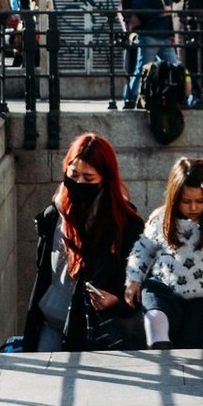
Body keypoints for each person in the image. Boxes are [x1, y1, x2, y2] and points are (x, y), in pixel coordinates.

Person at [23, 133, 144, 352]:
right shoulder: (54, 214)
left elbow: (140, 278)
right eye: (74, 174)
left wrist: (116, 299)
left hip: (92, 330)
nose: (79, 183)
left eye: (89, 178)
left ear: (105, 179)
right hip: (50, 321)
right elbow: (43, 274)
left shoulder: (125, 223)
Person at [125, 157, 203, 349]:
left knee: (198, 347)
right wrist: (134, 280)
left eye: (200, 201)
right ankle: (161, 356)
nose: (193, 208)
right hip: (164, 288)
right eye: (186, 201)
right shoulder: (161, 218)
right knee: (155, 316)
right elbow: (143, 248)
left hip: (199, 296)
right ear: (175, 198)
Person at [123, 0, 181, 107]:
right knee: (142, 69)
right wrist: (161, 11)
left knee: (174, 66)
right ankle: (130, 98)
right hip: (150, 35)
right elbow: (138, 8)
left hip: (163, 36)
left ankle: (174, 98)